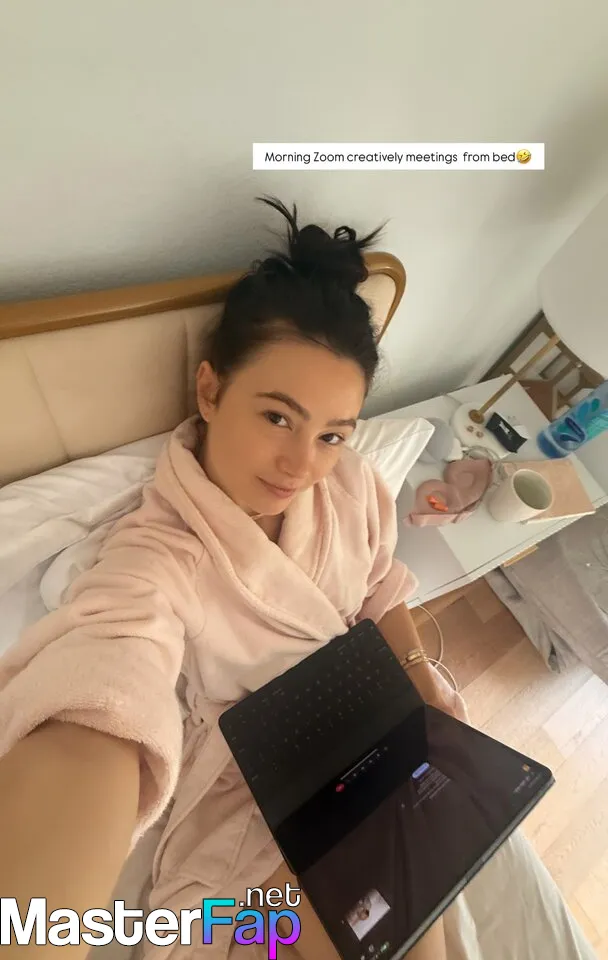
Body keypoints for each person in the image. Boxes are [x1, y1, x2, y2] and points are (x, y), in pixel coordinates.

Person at [0, 197, 463, 960]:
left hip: (367, 732)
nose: (302, 464)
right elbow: (106, 678)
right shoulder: (159, 553)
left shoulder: (351, 486)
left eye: (331, 433)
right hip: (261, 788)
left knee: (421, 917)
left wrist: (419, 681)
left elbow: (380, 587)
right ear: (210, 392)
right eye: (278, 417)